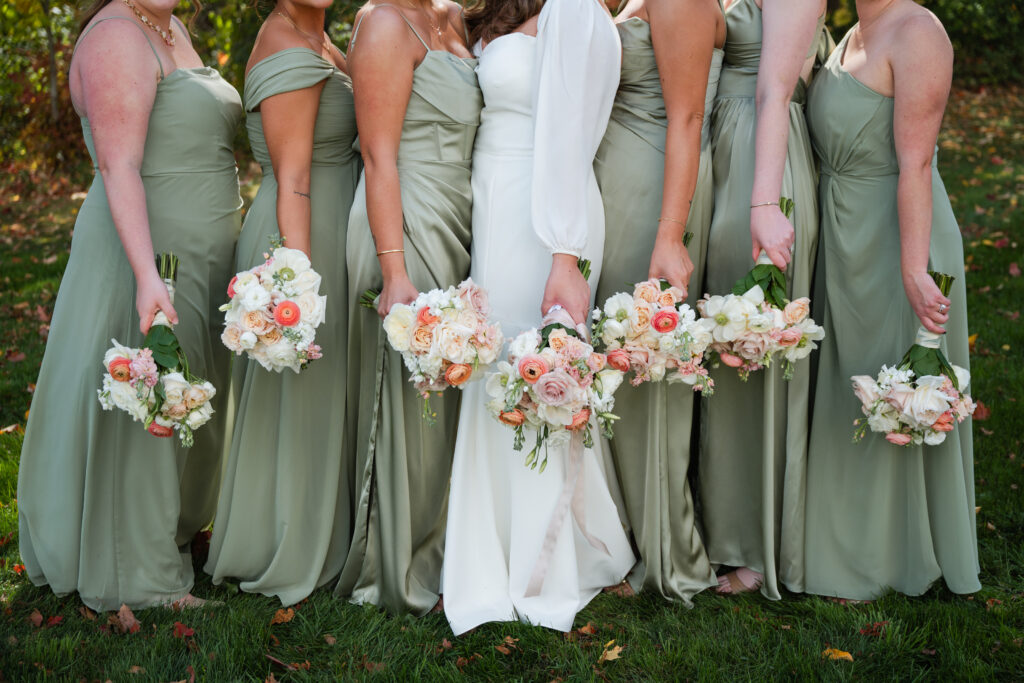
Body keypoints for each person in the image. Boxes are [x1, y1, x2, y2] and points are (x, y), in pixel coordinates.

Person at [17, 0, 242, 610]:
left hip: (199, 252)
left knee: (186, 392)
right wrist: (146, 274)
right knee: (150, 399)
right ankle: (136, 569)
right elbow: (119, 166)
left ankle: (171, 527)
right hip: (148, 252)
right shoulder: (117, 33)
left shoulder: (168, 24)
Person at [442, 0, 635, 635]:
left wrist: (564, 254)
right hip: (498, 206)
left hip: (544, 218)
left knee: (529, 373)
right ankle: (495, 542)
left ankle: (538, 562)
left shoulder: (576, 10)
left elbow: (568, 136)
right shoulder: (514, 12)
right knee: (497, 370)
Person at [802, 0, 980, 600]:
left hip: (898, 236)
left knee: (888, 389)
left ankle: (888, 555)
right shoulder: (853, 29)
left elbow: (917, 162)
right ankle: (840, 541)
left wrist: (912, 268)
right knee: (847, 385)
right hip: (844, 233)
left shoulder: (918, 32)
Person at [203, 0, 359, 606]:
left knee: (319, 393)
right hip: (300, 232)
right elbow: (293, 180)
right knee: (301, 393)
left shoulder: (319, 37)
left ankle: (323, 529)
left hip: (327, 221)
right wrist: (298, 283)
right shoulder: (288, 46)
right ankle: (284, 542)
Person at [335, 0, 482, 615]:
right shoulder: (385, 23)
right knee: (412, 401)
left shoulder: (451, 15)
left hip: (460, 216)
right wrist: (394, 271)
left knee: (447, 392)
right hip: (407, 220)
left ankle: (444, 548)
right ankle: (395, 565)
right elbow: (378, 156)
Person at [592, 0, 726, 602]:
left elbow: (689, 117)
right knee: (619, 367)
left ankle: (668, 553)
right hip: (620, 184)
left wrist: (670, 234)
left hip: (651, 192)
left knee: (645, 369)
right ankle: (623, 534)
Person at [699, 0, 828, 598]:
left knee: (755, 350)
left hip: (762, 163)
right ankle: (721, 526)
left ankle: (758, 543)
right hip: (728, 152)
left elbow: (775, 90)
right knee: (724, 352)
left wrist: (764, 204)